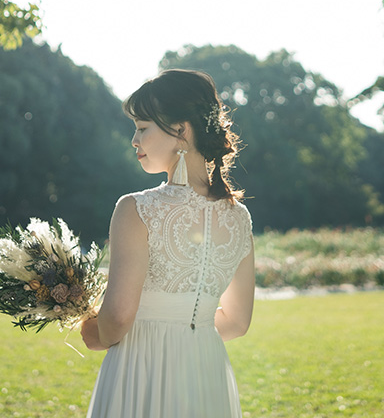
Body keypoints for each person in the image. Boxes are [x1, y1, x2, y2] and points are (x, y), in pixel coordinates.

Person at [79, 68, 255, 418]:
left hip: (141, 366)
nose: (134, 140)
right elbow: (237, 322)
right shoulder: (240, 218)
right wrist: (188, 332)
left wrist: (87, 328)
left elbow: (115, 321)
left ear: (180, 131)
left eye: (142, 128)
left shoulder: (136, 209)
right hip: (206, 369)